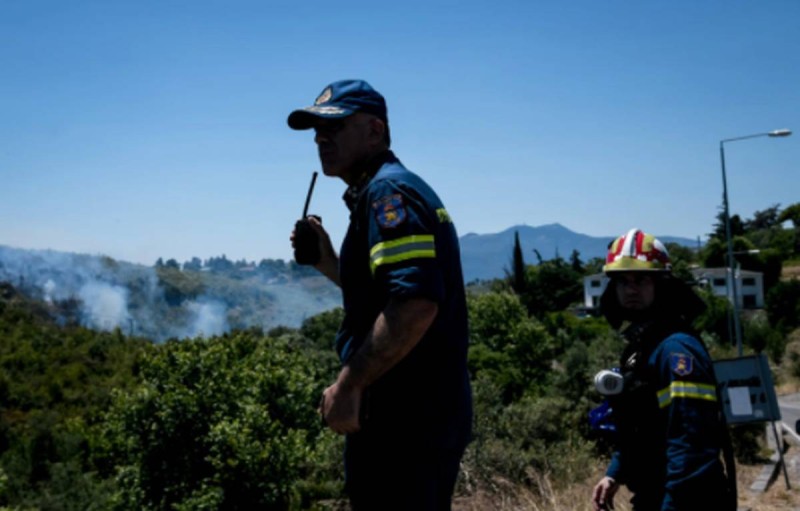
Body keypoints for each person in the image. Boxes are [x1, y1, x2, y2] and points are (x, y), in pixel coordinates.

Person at [287, 79, 473, 510]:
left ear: (375, 130)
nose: (321, 137)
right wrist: (327, 260)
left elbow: (415, 303)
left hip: (404, 420)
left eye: (334, 126)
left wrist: (348, 385)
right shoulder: (385, 190)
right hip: (416, 418)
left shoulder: (388, 194)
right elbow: (390, 293)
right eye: (316, 130)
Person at [590, 228, 736, 511]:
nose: (631, 289)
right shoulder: (644, 349)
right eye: (622, 281)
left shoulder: (676, 350)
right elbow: (641, 427)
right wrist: (615, 474)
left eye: (641, 279)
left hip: (688, 500)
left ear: (661, 284)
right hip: (657, 496)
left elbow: (691, 445)